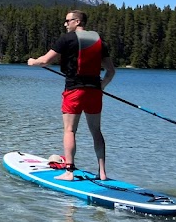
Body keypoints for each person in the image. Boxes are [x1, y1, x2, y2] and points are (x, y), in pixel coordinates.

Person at [27, 10, 116, 180]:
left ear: (76, 22)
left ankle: (69, 171)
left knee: (69, 130)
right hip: (94, 92)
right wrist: (101, 86)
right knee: (96, 131)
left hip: (74, 90)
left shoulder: (66, 39)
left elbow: (45, 61)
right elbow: (111, 71)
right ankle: (102, 172)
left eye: (67, 21)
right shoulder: (99, 42)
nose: (65, 24)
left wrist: (32, 62)